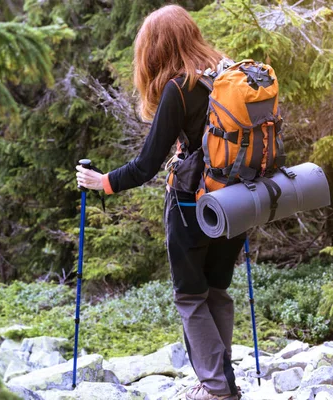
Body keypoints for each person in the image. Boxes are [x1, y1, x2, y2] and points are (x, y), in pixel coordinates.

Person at [75, 5, 245, 400]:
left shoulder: (179, 88)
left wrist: (104, 182)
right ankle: (220, 381)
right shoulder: (225, 70)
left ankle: (218, 389)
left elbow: (147, 164)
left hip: (193, 206)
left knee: (190, 296)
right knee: (218, 290)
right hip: (238, 201)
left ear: (157, 48)